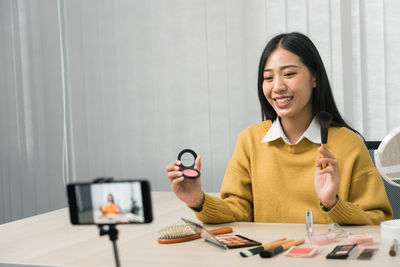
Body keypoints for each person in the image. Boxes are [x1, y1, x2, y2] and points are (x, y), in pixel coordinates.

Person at [165, 32, 392, 225]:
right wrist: (198, 200)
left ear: (314, 78)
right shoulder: (250, 141)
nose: (278, 87)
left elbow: (378, 220)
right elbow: (238, 211)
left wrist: (333, 203)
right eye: (268, 78)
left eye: (289, 74)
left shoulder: (348, 144)